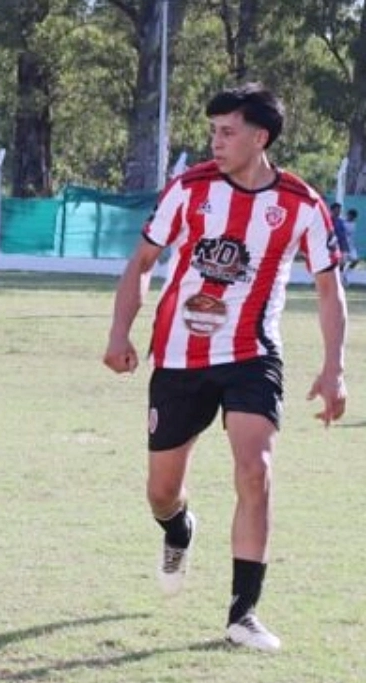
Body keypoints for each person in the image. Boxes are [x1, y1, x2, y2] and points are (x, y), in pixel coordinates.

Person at [103, 83, 347, 653]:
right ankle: (178, 529)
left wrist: (335, 367)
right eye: (213, 130)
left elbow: (331, 291)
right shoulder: (188, 190)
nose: (216, 140)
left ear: (259, 138)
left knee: (255, 469)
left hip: (253, 356)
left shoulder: (302, 204)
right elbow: (142, 262)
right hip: (180, 358)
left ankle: (243, 614)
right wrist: (120, 332)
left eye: (227, 131)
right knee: (162, 492)